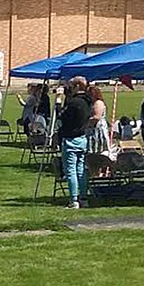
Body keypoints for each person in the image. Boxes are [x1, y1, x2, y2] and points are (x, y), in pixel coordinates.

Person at [58, 77, 91, 210]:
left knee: (70, 170)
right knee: (81, 169)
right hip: (82, 137)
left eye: (71, 86)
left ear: (77, 86)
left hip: (71, 138)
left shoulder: (75, 102)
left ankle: (74, 199)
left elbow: (62, 117)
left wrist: (59, 100)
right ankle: (83, 197)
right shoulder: (87, 101)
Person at [85, 84, 111, 161]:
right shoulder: (92, 103)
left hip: (97, 129)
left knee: (98, 151)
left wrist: (85, 123)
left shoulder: (98, 103)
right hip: (92, 129)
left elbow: (97, 117)